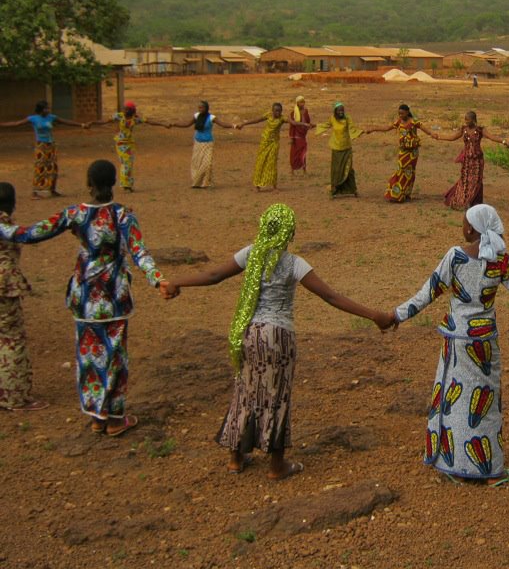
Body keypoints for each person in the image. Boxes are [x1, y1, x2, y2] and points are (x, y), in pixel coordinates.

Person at [160, 203, 394, 478]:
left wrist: (177, 282)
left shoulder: (250, 254)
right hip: (278, 336)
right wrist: (374, 315)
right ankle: (276, 465)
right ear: (290, 234)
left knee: (245, 390)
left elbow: (213, 276)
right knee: (276, 396)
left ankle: (236, 458)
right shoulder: (295, 264)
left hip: (247, 333)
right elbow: (331, 297)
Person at [390, 204, 509, 484]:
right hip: (483, 346)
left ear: (472, 229)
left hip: (457, 343)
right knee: (485, 407)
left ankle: (450, 462)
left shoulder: (455, 257)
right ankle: (489, 469)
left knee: (452, 403)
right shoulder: (500, 261)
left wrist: (395, 316)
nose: (462, 226)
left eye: (464, 222)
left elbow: (427, 293)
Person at [0, 160, 164, 434]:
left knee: (89, 356)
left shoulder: (75, 214)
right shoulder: (123, 215)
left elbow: (29, 234)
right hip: (114, 297)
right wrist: (157, 279)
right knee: (114, 358)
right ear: (113, 183)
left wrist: (1, 225)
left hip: (85, 296)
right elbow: (139, 252)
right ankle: (114, 419)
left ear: (88, 184)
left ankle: (96, 417)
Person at [0, 183, 47, 411]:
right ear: (11, 205)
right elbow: (28, 237)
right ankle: (15, 397)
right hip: (4, 285)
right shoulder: (6, 225)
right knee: (12, 338)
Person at [0, 100, 86, 198]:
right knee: (40, 167)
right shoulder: (33, 119)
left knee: (53, 167)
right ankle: (35, 192)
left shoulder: (51, 117)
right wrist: (2, 124)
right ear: (41, 109)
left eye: (48, 108)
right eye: (46, 108)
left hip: (51, 145)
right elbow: (16, 123)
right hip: (41, 145)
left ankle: (52, 189)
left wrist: (81, 125)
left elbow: (66, 122)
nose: (48, 110)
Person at [89, 101, 170, 192]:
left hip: (129, 143)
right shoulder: (119, 116)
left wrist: (163, 124)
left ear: (131, 110)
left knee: (129, 163)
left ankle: (128, 184)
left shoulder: (135, 119)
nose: (124, 110)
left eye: (127, 109)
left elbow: (149, 121)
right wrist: (93, 123)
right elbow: (105, 121)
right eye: (124, 108)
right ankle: (125, 185)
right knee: (126, 162)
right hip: (120, 143)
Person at [366, 104, 438, 203]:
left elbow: (424, 128)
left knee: (409, 172)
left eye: (402, 113)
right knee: (401, 171)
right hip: (403, 151)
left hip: (412, 153)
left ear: (407, 112)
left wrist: (432, 134)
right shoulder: (399, 122)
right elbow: (387, 128)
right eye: (399, 113)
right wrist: (373, 129)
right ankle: (397, 194)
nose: (400, 115)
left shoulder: (414, 121)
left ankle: (405, 194)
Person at [435, 111, 503, 211]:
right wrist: (439, 137)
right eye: (465, 119)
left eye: (468, 119)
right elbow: (452, 137)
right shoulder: (464, 129)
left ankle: (473, 201)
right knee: (465, 179)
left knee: (476, 180)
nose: (466, 122)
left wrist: (503, 141)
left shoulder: (480, 130)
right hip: (467, 159)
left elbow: (491, 137)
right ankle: (464, 200)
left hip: (477, 160)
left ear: (473, 120)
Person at [238, 103, 308, 192]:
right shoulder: (268, 115)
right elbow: (257, 120)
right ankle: (257, 186)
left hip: (274, 143)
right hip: (264, 142)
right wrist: (244, 124)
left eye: (279, 111)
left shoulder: (282, 118)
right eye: (276, 110)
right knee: (260, 162)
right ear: (272, 110)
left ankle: (274, 187)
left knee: (272, 164)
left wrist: (304, 124)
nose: (278, 112)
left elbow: (293, 122)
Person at [171, 101, 235, 189]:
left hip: (208, 143)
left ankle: (206, 183)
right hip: (198, 142)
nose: (200, 109)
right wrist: (175, 124)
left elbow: (223, 124)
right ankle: (197, 183)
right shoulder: (197, 116)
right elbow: (187, 124)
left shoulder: (212, 117)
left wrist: (233, 125)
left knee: (207, 164)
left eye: (202, 108)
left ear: (206, 108)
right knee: (197, 163)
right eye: (199, 108)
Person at [314, 101, 365, 198]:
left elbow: (352, 129)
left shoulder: (347, 118)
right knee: (336, 170)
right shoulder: (332, 119)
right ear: (335, 111)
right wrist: (315, 126)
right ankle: (334, 191)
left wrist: (361, 132)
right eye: (339, 110)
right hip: (336, 148)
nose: (341, 112)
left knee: (349, 169)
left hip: (346, 148)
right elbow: (325, 125)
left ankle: (353, 190)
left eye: (342, 110)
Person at [288, 95, 313, 176]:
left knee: (303, 153)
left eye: (303, 102)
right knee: (294, 153)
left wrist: (310, 126)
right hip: (296, 137)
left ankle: (304, 169)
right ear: (297, 103)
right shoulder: (293, 113)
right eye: (300, 102)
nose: (302, 103)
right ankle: (292, 170)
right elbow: (292, 126)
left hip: (303, 136)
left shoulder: (306, 112)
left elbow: (308, 122)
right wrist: (291, 137)